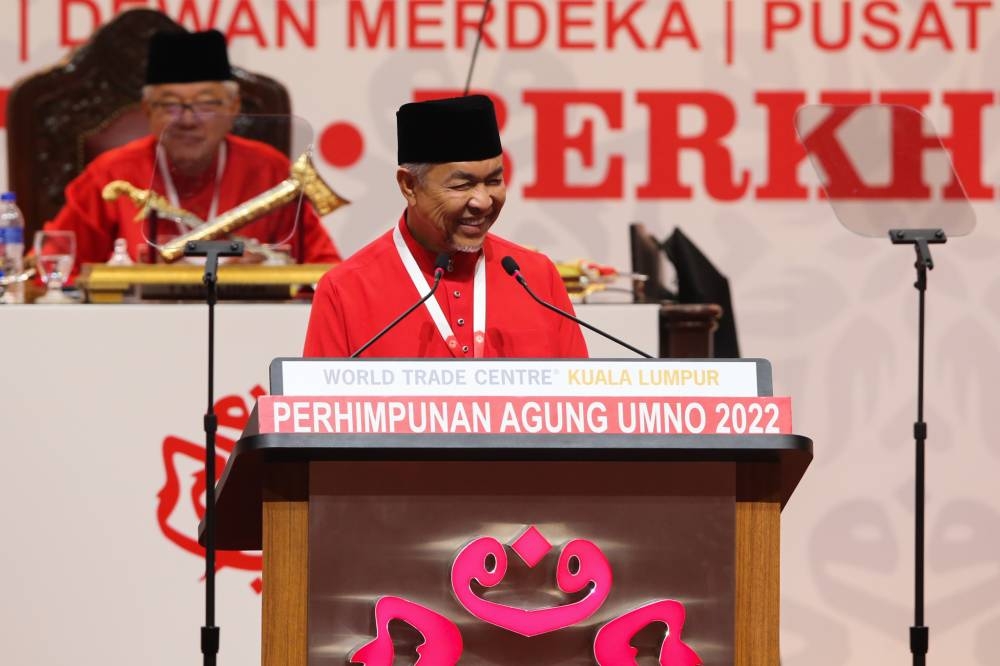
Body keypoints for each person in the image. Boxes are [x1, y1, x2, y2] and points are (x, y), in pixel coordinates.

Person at [303, 94, 587, 358]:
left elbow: (580, 404)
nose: (483, 201)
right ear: (410, 185)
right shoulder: (346, 290)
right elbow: (321, 408)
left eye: (494, 181)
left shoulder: (535, 278)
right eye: (462, 185)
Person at [41, 29, 340, 268]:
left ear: (233, 107)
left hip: (248, 327)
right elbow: (52, 268)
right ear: (147, 110)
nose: (187, 120)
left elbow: (324, 270)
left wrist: (270, 267)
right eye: (170, 105)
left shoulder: (268, 170)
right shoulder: (112, 174)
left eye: (206, 103)